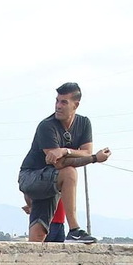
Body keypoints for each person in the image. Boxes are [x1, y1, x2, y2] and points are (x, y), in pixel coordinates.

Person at [18, 82, 110, 243]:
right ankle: (74, 230)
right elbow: (60, 164)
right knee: (69, 172)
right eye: (57, 101)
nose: (58, 106)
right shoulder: (47, 126)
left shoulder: (83, 123)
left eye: (63, 102)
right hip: (30, 177)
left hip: (52, 183)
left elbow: (86, 151)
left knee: (38, 234)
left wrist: (64, 150)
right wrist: (94, 158)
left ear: (76, 105)